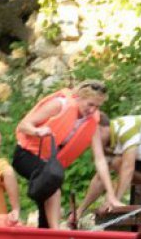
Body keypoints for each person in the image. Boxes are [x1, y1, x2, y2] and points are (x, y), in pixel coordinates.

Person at [13, 80, 119, 228]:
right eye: (90, 104)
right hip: (25, 154)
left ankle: (44, 233)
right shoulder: (60, 104)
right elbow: (24, 125)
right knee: (53, 183)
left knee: (49, 188)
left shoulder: (92, 121)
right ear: (80, 97)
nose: (92, 110)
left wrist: (111, 194)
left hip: (47, 164)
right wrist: (37, 131)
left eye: (97, 107)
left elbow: (100, 159)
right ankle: (56, 232)